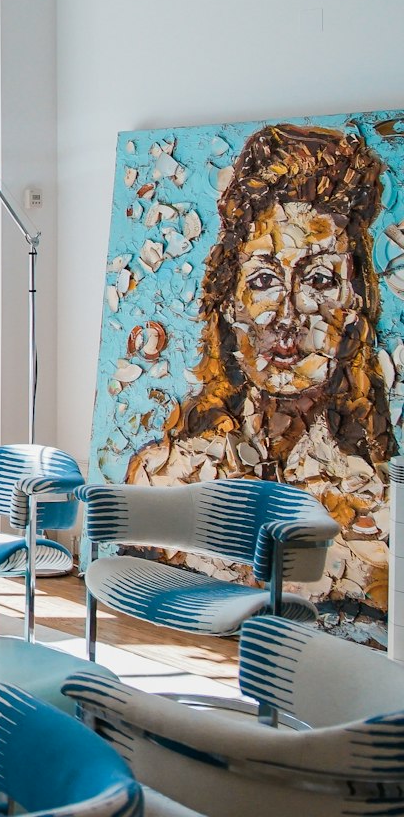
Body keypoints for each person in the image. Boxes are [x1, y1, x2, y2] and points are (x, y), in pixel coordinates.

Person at [128, 123, 393, 628]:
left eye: (319, 279)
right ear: (230, 302)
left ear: (355, 303)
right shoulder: (166, 476)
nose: (287, 316)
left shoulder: (378, 510)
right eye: (265, 280)